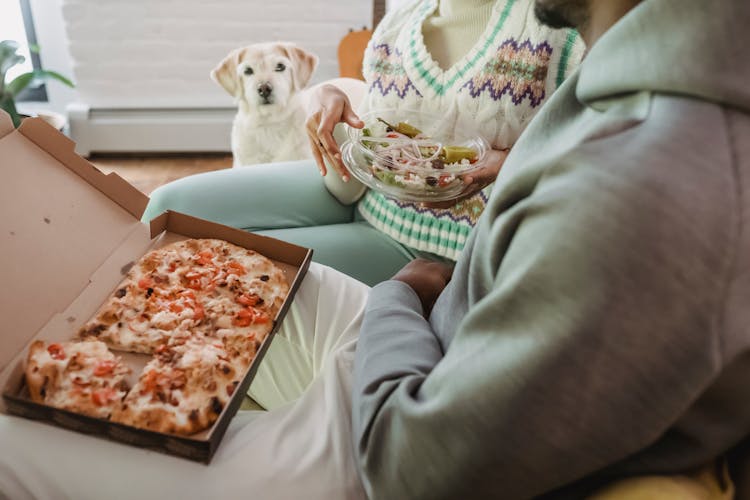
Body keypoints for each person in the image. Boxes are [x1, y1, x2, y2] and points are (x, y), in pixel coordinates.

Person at [1, 0, 748, 499]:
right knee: (170, 258)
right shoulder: (634, 74)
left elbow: (410, 467)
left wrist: (404, 288)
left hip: (381, 432)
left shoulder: (646, 186)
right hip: (428, 333)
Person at [142, 0, 584, 286]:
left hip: (440, 250)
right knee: (169, 206)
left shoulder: (561, 27)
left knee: (231, 276)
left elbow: (611, 145)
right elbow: (378, 112)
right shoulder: (401, 20)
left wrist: (513, 162)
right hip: (358, 193)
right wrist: (328, 92)